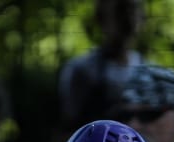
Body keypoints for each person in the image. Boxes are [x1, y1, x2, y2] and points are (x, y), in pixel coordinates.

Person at [57, 0, 145, 130]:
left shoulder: (147, 71)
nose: (128, 17)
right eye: (120, 10)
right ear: (101, 18)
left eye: (133, 8)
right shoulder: (82, 71)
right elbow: (67, 128)